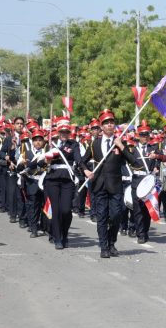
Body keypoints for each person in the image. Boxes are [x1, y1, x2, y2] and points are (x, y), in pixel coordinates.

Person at [81, 109, 135, 259]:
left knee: (116, 215)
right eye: (106, 123)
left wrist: (121, 146)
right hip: (99, 185)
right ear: (101, 126)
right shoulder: (94, 144)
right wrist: (85, 171)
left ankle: (112, 241)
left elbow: (133, 161)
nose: (110, 125)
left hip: (116, 185)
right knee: (102, 217)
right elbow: (82, 162)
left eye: (112, 122)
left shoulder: (120, 142)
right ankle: (104, 246)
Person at [39, 116, 81, 250]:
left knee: (66, 210)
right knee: (56, 210)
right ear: (58, 132)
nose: (64, 134)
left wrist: (83, 167)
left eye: (66, 132)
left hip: (67, 179)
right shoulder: (50, 143)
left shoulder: (73, 144)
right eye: (62, 132)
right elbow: (40, 162)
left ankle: (65, 234)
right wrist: (47, 159)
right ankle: (58, 238)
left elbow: (78, 158)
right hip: (52, 179)